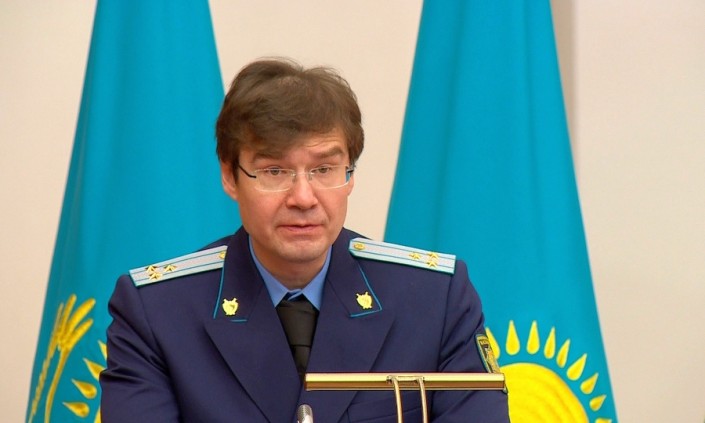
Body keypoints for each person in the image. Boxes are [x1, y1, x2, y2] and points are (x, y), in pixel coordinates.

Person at [100, 58, 509, 422]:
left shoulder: (435, 299)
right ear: (229, 176)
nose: (303, 198)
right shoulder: (156, 312)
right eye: (274, 171)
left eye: (324, 169)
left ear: (350, 174)